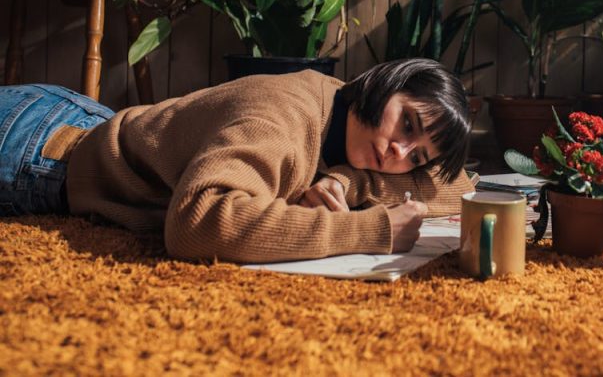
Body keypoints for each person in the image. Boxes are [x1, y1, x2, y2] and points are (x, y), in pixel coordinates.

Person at [0, 58, 474, 263]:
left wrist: (347, 184)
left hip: (93, 120)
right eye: (407, 125)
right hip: (38, 152)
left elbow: (458, 187)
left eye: (418, 158)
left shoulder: (347, 111)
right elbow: (197, 221)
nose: (399, 153)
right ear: (385, 82)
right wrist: (370, 230)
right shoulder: (280, 118)